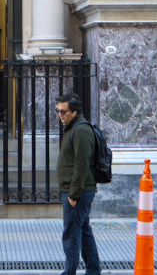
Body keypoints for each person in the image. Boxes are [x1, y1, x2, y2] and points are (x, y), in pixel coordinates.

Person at [56, 93, 101, 275]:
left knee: (71, 236)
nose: (60, 115)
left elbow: (81, 165)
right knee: (83, 231)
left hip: (78, 193)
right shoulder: (71, 126)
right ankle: (93, 270)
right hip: (75, 191)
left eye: (63, 112)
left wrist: (74, 195)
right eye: (58, 111)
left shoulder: (81, 130)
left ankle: (70, 272)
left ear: (75, 111)